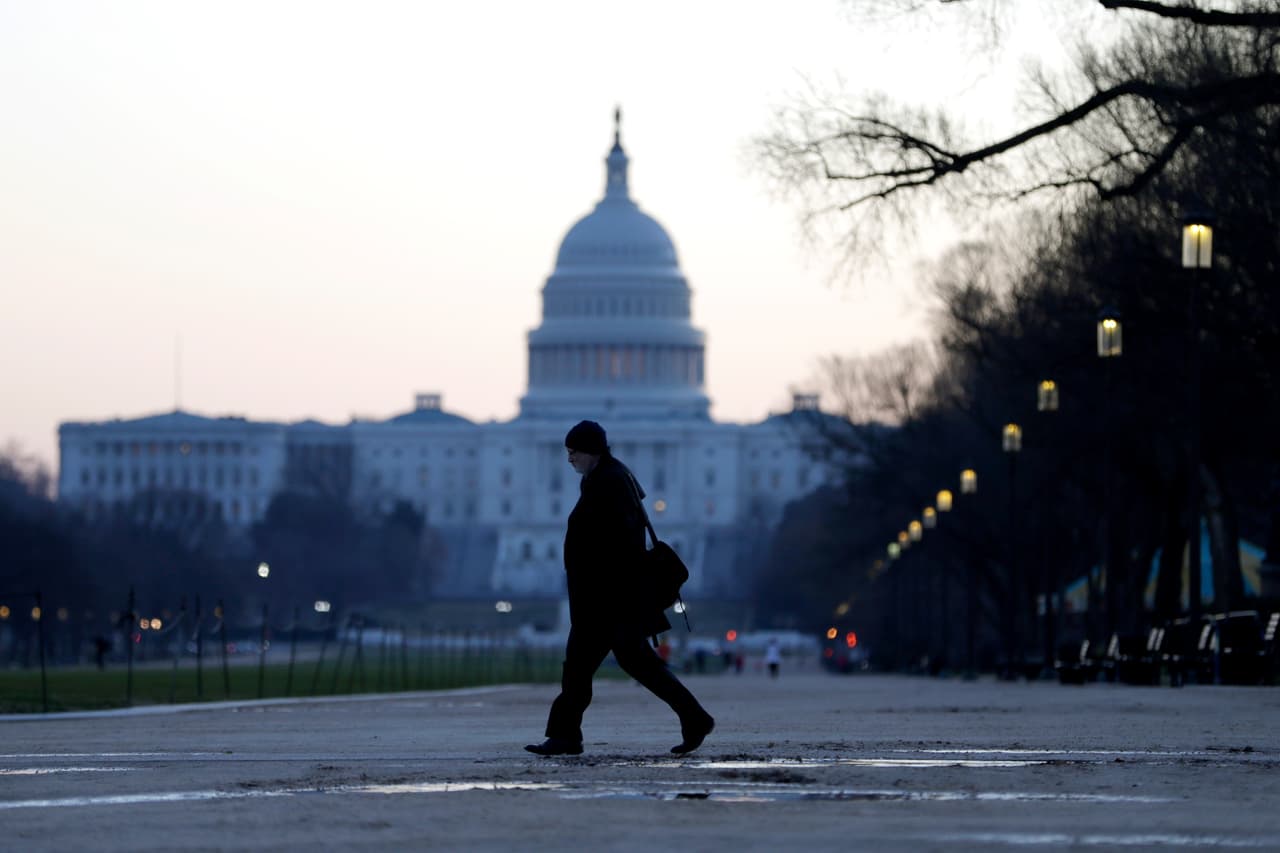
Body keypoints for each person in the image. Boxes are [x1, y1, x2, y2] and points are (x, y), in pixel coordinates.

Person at [525, 420, 715, 757]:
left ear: (592, 451)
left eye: (574, 452)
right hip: (606, 597)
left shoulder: (609, 482)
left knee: (583, 667)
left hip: (606, 599)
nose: (569, 459)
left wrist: (602, 582)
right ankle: (694, 718)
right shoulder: (605, 478)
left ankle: (566, 736)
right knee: (628, 665)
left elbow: (621, 542)